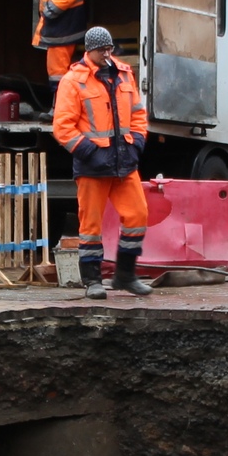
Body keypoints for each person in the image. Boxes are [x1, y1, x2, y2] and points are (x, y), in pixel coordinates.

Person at [53, 25, 153, 299]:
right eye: (102, 50)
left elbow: (138, 115)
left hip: (124, 163)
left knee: (137, 216)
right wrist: (90, 153)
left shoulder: (123, 74)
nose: (107, 54)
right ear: (90, 50)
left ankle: (124, 275)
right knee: (90, 227)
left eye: (110, 49)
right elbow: (62, 127)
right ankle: (93, 281)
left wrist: (138, 144)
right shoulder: (73, 81)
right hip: (92, 167)